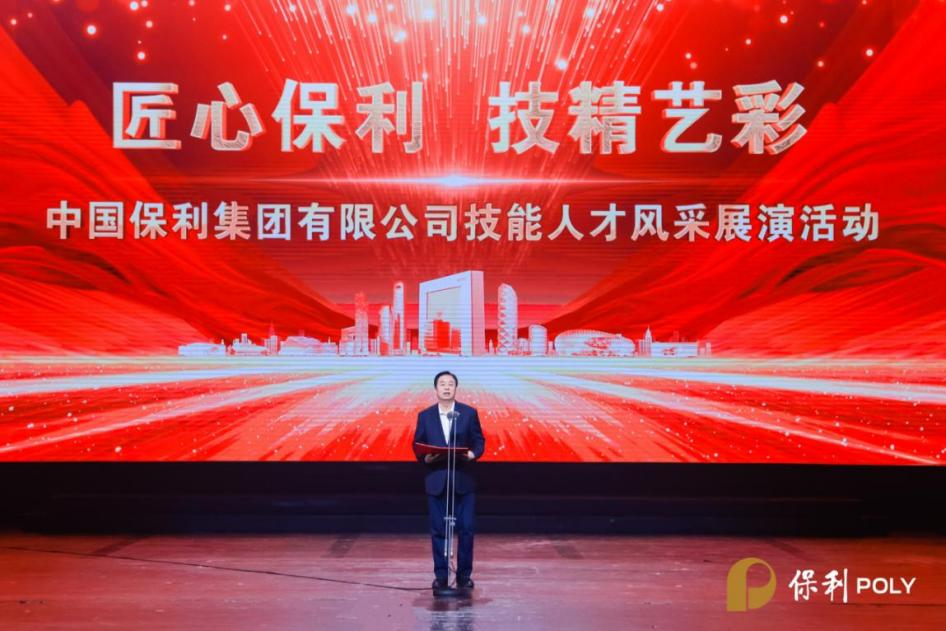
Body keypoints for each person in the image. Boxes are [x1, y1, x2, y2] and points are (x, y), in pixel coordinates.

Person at [413, 370, 486, 590]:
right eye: (442, 384)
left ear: (455, 388)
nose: (446, 387)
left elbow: (479, 441)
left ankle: (463, 576)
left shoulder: (468, 413)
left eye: (450, 384)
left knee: (466, 529)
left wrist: (472, 454)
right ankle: (441, 576)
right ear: (436, 389)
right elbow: (417, 444)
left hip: (463, 479)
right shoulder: (425, 415)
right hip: (437, 479)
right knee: (438, 530)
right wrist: (426, 457)